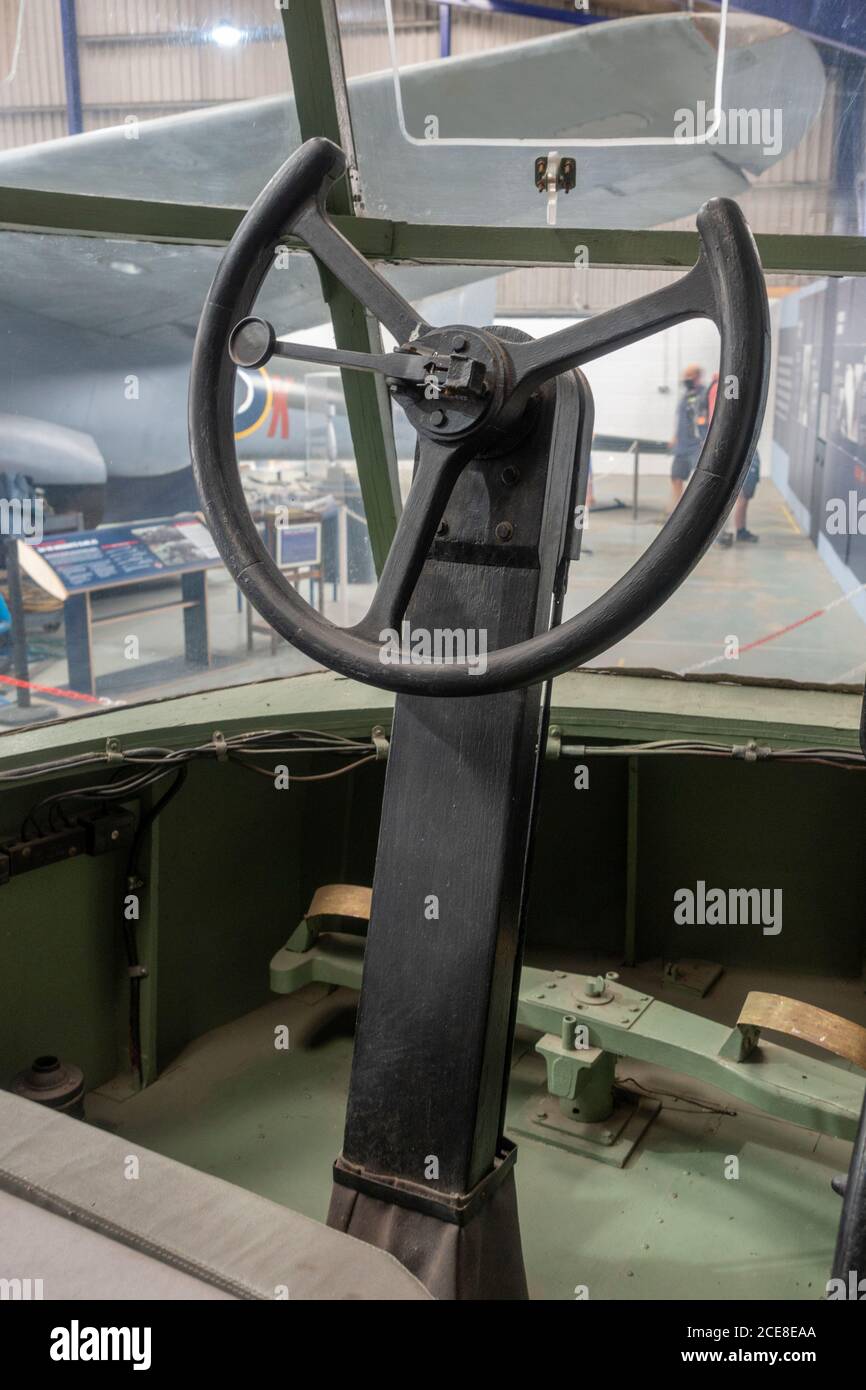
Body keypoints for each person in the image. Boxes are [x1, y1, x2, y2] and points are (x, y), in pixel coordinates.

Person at [706, 371, 760, 545]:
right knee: (727, 494)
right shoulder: (722, 389)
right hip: (730, 448)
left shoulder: (730, 389)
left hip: (741, 446)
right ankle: (720, 533)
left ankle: (739, 530)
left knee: (744, 494)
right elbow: (721, 420)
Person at [669, 365, 707, 509]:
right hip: (682, 444)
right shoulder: (686, 394)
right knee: (676, 476)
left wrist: (706, 439)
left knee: (700, 479)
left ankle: (698, 509)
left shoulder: (704, 394)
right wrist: (675, 436)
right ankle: (678, 509)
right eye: (685, 375)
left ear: (697, 377)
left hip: (697, 445)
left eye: (689, 375)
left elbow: (706, 418)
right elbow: (682, 418)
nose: (686, 379)